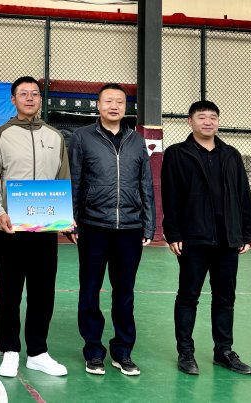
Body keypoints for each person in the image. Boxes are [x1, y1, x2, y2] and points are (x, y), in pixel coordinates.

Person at [0, 76, 72, 378]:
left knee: (42, 293)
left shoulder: (55, 136)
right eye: (24, 93)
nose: (30, 98)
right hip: (11, 230)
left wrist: (64, 216)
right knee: (10, 292)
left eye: (35, 93)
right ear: (13, 99)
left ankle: (38, 352)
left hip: (44, 230)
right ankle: (10, 350)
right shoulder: (0, 135)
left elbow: (63, 180)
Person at [162, 100, 251, 376]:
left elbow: (243, 195)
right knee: (188, 296)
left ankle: (223, 351)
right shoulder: (177, 154)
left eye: (213, 117)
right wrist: (173, 232)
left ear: (218, 122)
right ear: (189, 121)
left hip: (227, 239)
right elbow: (170, 196)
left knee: (225, 297)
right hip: (193, 239)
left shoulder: (231, 155)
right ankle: (185, 353)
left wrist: (245, 232)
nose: (208, 122)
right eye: (202, 117)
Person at [68, 83, 155, 376]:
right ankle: (93, 350)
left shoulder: (137, 140)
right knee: (90, 290)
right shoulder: (82, 137)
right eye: (108, 101)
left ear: (125, 107)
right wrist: (73, 220)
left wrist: (149, 224)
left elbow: (145, 183)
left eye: (119, 101)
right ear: (98, 105)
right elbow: (75, 179)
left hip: (130, 228)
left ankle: (123, 351)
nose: (114, 106)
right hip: (93, 226)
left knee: (125, 293)